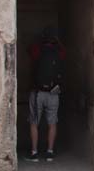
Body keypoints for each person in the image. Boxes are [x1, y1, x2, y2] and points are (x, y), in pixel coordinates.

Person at [27, 26, 66, 161]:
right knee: (52, 123)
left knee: (34, 122)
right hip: (53, 93)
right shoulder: (59, 51)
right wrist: (57, 41)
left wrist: (39, 40)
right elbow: (64, 53)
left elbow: (30, 52)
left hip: (37, 92)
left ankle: (34, 152)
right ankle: (50, 152)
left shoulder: (37, 49)